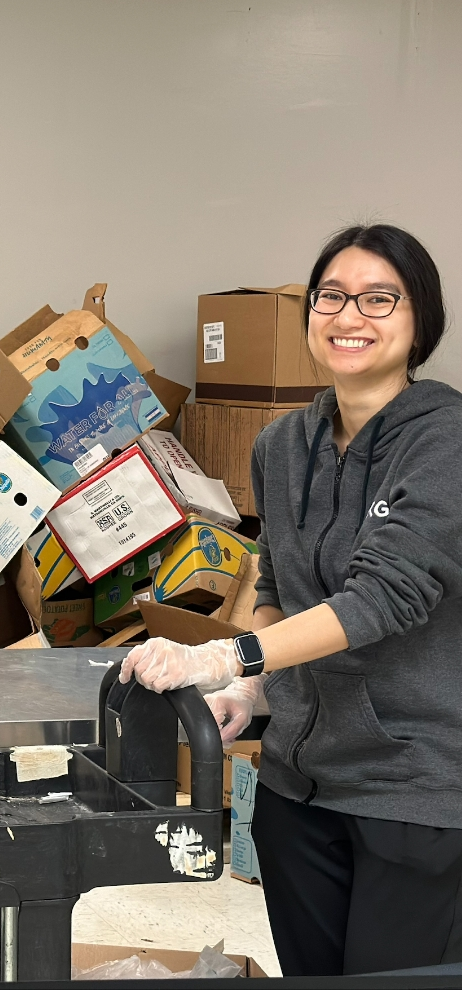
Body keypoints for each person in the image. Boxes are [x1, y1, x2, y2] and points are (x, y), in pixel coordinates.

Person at [120, 224, 462, 976]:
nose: (350, 317)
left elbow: (386, 598)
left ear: (419, 321)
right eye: (332, 296)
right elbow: (275, 587)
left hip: (414, 791)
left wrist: (222, 653)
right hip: (295, 788)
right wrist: (253, 683)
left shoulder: (446, 440)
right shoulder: (281, 446)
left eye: (380, 299)